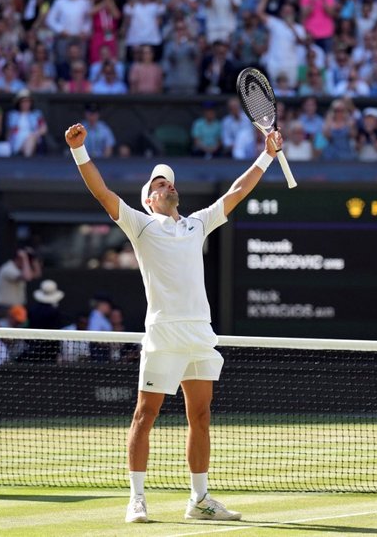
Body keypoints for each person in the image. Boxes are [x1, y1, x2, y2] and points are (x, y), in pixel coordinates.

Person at [64, 118, 286, 524]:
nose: (166, 186)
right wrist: (79, 150)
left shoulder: (197, 223)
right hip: (163, 336)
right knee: (144, 415)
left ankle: (199, 500)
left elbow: (237, 191)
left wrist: (267, 156)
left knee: (200, 417)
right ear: (148, 199)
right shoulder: (140, 224)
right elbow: (101, 191)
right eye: (159, 185)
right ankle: (136, 499)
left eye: (169, 183)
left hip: (200, 336)